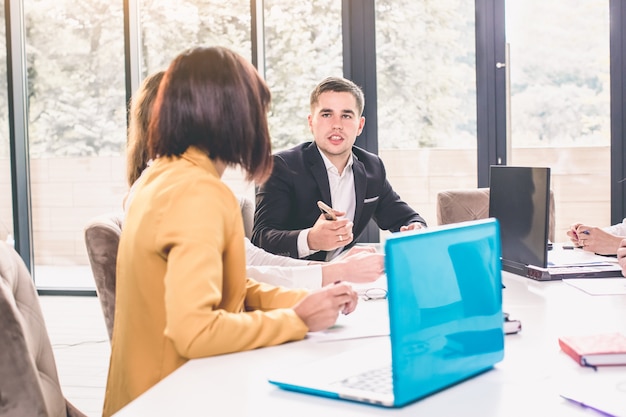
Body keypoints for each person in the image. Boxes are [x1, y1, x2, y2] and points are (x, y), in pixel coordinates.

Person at [102, 47, 359, 416]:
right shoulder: (197, 191)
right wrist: (298, 321)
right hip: (176, 398)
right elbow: (196, 332)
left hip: (150, 393)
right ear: (229, 116)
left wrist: (301, 302)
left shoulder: (161, 177)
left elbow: (230, 285)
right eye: (258, 112)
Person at [124, 71, 384, 289]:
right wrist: (332, 275)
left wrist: (334, 270)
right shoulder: (170, 194)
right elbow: (240, 279)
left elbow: (247, 262)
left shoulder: (185, 185)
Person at [251, 76, 427, 261]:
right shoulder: (281, 166)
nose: (337, 125)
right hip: (297, 280)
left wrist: (415, 228)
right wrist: (311, 240)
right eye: (327, 114)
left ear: (360, 125)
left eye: (346, 115)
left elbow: (406, 218)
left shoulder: (372, 168)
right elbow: (261, 239)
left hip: (347, 277)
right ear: (311, 122)